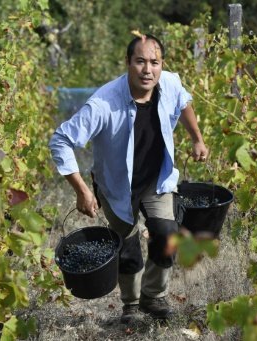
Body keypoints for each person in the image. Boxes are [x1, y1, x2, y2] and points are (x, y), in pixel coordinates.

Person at [49, 33, 208, 324]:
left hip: (156, 177)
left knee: (166, 232)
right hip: (116, 186)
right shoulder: (104, 104)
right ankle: (131, 305)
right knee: (129, 245)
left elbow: (184, 102)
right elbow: (61, 140)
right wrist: (82, 189)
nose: (148, 69)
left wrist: (196, 139)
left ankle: (153, 296)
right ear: (128, 63)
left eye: (154, 62)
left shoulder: (169, 83)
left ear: (162, 65)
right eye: (140, 61)